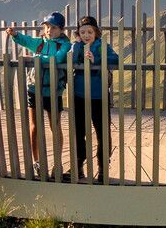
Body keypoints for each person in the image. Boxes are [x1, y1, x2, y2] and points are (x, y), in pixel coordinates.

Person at [6, 11, 70, 175]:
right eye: (47, 26)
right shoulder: (39, 43)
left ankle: (58, 163)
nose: (49, 30)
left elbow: (57, 59)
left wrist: (35, 58)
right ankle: (37, 163)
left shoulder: (64, 45)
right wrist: (15, 34)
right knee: (35, 126)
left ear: (61, 29)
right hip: (34, 89)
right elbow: (26, 40)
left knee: (54, 126)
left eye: (54, 27)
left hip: (54, 91)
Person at [65, 15, 119, 183]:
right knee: (79, 131)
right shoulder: (76, 47)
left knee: (102, 132)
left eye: (90, 31)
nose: (86, 35)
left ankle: (102, 167)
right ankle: (79, 165)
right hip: (79, 95)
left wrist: (98, 60)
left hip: (99, 95)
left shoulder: (102, 46)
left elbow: (116, 60)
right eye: (82, 32)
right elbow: (65, 61)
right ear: (78, 34)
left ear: (96, 32)